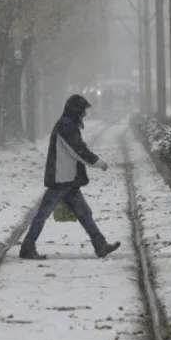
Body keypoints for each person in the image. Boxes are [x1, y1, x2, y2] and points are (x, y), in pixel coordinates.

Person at [19, 94, 121, 260]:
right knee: (43, 214)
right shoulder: (66, 126)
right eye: (83, 111)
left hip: (68, 179)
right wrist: (99, 163)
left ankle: (101, 245)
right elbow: (78, 150)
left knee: (84, 214)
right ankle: (27, 248)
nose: (85, 114)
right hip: (61, 180)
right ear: (76, 110)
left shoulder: (68, 124)